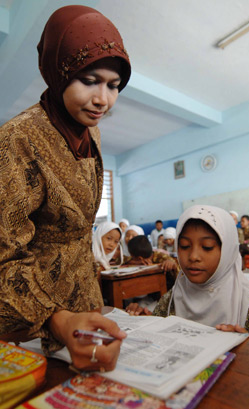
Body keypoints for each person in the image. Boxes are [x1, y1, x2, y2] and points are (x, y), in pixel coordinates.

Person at [0, 5, 132, 371]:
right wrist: (57, 321)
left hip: (85, 307)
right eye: (89, 81)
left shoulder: (93, 134)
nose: (102, 99)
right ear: (58, 72)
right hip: (28, 322)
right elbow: (3, 258)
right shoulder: (18, 139)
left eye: (114, 85)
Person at [126, 205, 249, 341]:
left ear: (227, 252)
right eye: (185, 246)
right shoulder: (172, 299)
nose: (193, 256)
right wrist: (146, 322)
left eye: (207, 247)